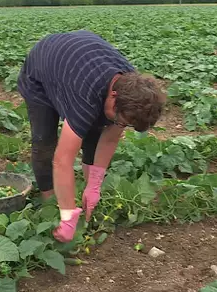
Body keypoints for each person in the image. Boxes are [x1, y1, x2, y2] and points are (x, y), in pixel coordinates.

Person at [17, 30, 166, 243]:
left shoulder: (131, 88)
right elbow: (62, 161)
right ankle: (50, 203)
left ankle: (85, 200)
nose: (120, 127)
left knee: (97, 127)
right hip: (41, 69)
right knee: (44, 141)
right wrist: (67, 215)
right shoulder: (85, 96)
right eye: (121, 121)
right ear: (114, 96)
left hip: (78, 62)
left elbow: (111, 137)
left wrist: (94, 185)